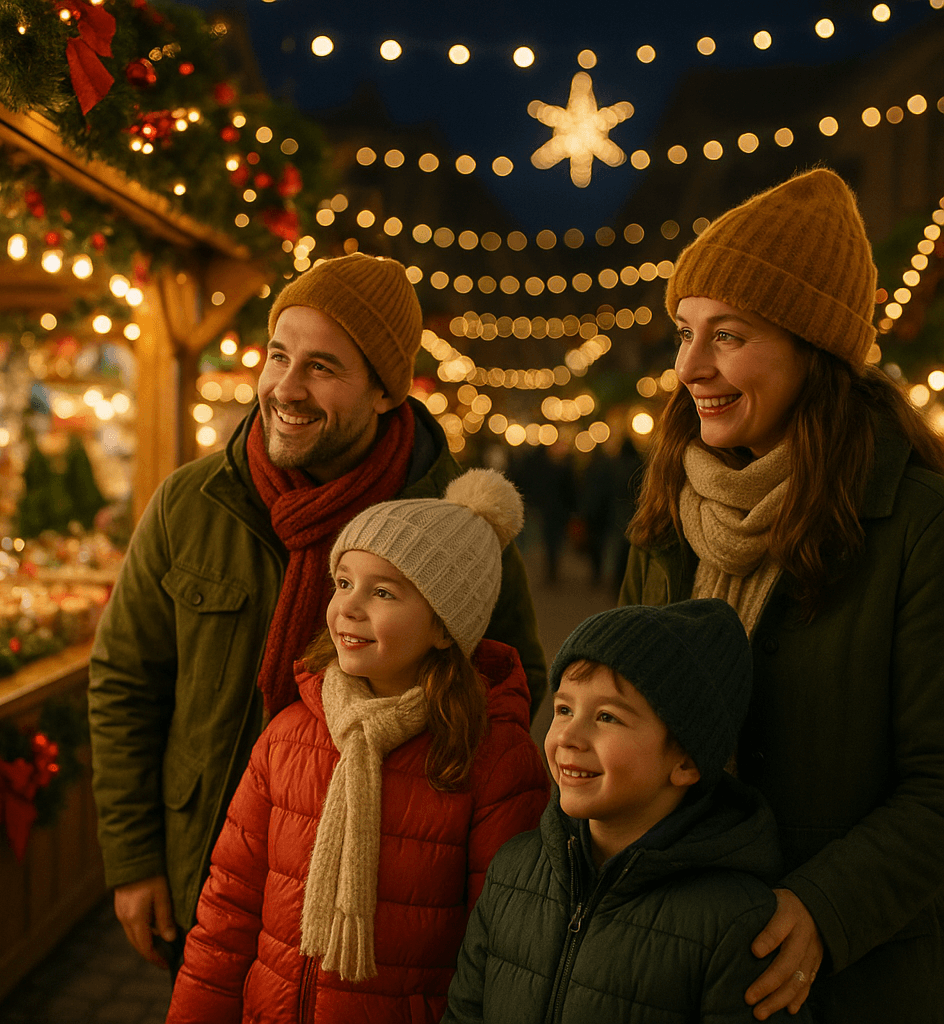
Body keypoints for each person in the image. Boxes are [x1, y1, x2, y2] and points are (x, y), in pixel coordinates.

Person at [87, 253, 546, 974]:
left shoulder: (450, 526)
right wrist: (134, 857)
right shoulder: (192, 501)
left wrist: (419, 805)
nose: (286, 388)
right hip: (207, 869)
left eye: (322, 367)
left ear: (384, 392)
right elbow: (125, 681)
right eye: (278, 355)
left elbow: (514, 685)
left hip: (378, 904)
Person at [620, 168, 944, 1022]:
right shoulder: (667, 512)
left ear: (814, 349)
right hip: (668, 956)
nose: (689, 366)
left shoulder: (916, 525)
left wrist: (825, 910)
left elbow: (939, 782)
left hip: (843, 981)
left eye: (728, 335)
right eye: (686, 331)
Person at [165, 469, 551, 1023]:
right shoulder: (290, 735)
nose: (348, 607)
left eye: (384, 592)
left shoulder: (492, 758)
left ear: (445, 627)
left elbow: (504, 948)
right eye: (343, 583)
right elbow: (228, 907)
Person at [443, 600, 809, 1023]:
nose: (570, 736)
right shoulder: (513, 872)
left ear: (686, 762)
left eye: (606, 717)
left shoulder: (736, 925)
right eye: (564, 709)